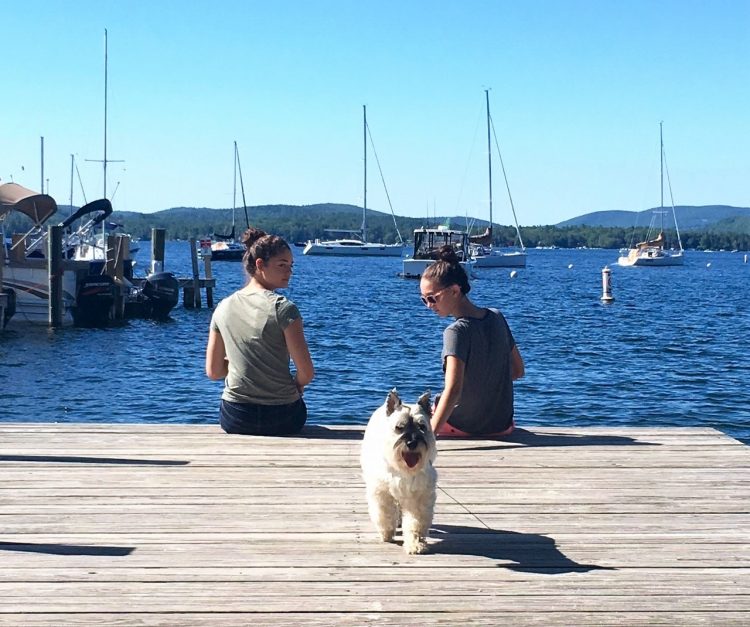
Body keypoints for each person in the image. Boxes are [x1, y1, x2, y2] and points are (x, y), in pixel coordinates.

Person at [205, 227, 314, 435]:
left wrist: (243, 362)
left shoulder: (223, 307)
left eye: (291, 266)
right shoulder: (283, 308)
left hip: (235, 417)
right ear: (259, 264)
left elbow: (214, 371)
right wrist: (297, 385)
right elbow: (306, 373)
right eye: (282, 265)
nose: (289, 271)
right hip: (283, 417)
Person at [420, 245, 524, 437]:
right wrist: (485, 383)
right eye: (424, 300)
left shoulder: (456, 332)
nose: (428, 306)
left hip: (463, 427)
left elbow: (453, 391)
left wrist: (429, 437)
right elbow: (518, 371)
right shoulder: (497, 317)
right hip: (503, 426)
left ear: (454, 291)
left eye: (432, 298)